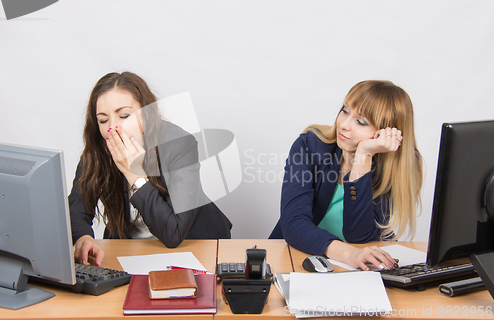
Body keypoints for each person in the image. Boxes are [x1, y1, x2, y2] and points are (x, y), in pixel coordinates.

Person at [69, 71, 232, 266]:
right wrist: (83, 237)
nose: (113, 128)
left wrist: (133, 173)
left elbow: (174, 233)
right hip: (133, 251)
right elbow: (76, 208)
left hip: (194, 245)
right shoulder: (99, 148)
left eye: (124, 115)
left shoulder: (180, 144)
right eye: (103, 120)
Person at [269, 80, 423, 271]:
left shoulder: (400, 167)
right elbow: (293, 224)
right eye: (345, 111)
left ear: (385, 134)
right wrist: (350, 254)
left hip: (361, 268)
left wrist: (363, 157)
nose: (344, 125)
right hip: (298, 257)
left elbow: (360, 237)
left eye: (361, 122)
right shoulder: (310, 145)